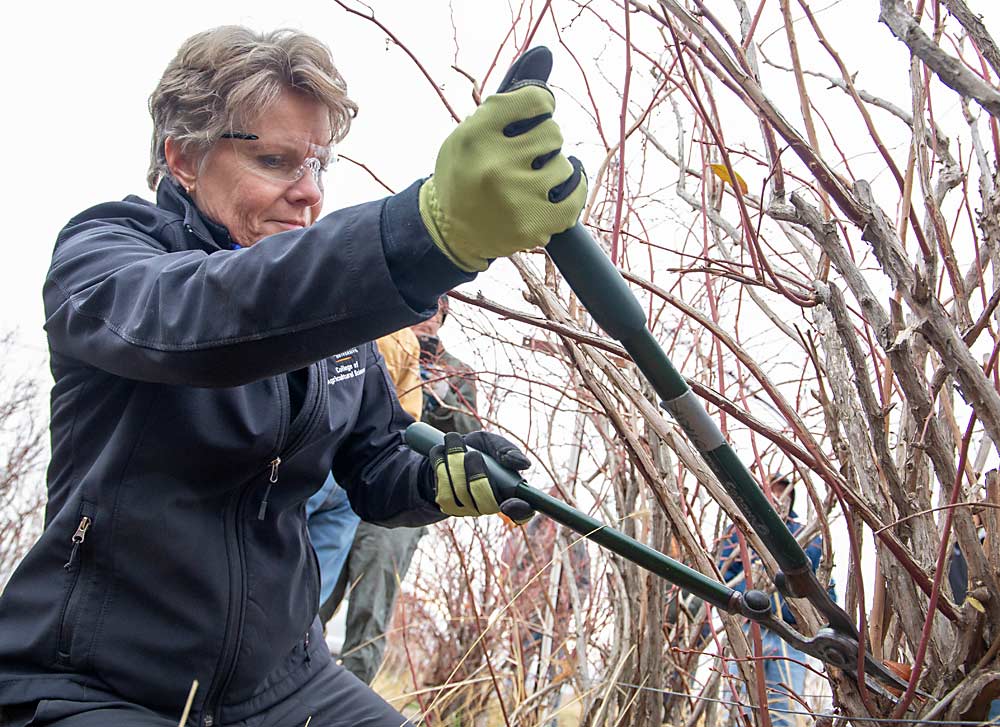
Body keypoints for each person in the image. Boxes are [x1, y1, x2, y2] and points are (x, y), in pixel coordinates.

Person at [0, 27, 585, 727]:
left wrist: (436, 478)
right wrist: (419, 234)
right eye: (277, 160)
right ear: (183, 157)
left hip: (289, 683)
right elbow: (207, 317)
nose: (308, 194)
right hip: (98, 686)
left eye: (318, 165)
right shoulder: (105, 255)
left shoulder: (328, 319)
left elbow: (375, 459)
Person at [306, 328, 423, 636]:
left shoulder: (403, 340)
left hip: (349, 472)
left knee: (314, 585)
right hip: (314, 459)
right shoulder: (393, 330)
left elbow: (408, 416)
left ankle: (286, 656)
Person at [717, 476, 832, 727]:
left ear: (791, 499)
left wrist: (824, 628)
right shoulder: (740, 531)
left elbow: (824, 587)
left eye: (783, 494)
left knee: (784, 709)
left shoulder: (807, 536)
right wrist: (749, 598)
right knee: (739, 706)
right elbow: (722, 576)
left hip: (791, 636)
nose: (777, 499)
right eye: (771, 493)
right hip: (747, 629)